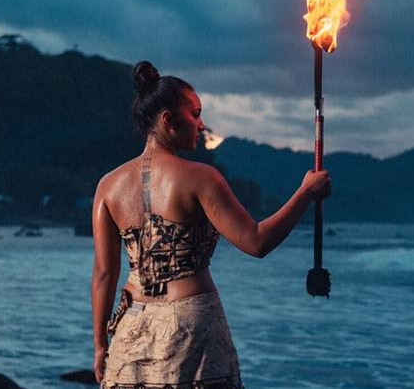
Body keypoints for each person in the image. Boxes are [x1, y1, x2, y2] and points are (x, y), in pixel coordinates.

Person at [91, 61, 331, 389]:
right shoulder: (200, 178)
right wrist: (305, 193)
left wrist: (101, 345)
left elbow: (104, 274)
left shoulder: (108, 186)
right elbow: (256, 242)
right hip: (188, 326)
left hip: (129, 328)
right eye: (195, 113)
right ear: (167, 120)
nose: (201, 124)